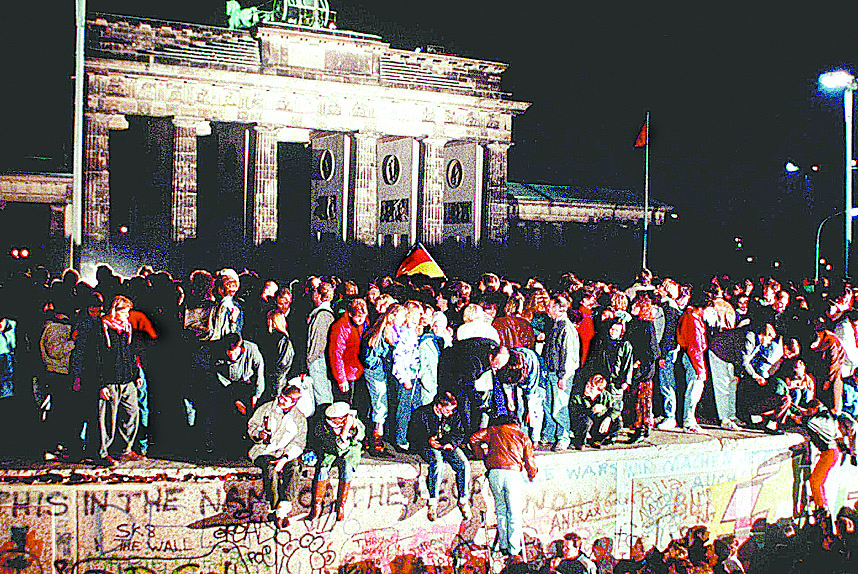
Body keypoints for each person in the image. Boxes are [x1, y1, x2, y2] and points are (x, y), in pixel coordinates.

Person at [469, 414, 538, 558]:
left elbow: (474, 438)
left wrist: (480, 455)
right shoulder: (521, 435)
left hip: (494, 472)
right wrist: (532, 474)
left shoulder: (493, 430)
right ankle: (514, 549)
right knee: (514, 513)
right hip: (512, 473)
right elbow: (529, 460)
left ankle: (504, 545)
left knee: (500, 510)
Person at [247, 384, 307, 528]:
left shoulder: (299, 418)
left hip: (285, 452)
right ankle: (277, 509)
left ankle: (283, 507)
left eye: (286, 400)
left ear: (294, 402)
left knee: (294, 468)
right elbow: (251, 426)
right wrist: (258, 434)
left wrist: (285, 458)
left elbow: (299, 443)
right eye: (281, 396)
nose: (281, 400)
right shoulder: (266, 408)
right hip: (264, 450)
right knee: (270, 469)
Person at [407, 392, 471, 521]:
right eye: (448, 410)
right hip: (427, 445)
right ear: (439, 406)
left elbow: (460, 433)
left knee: (464, 464)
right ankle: (433, 502)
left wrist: (451, 443)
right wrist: (427, 440)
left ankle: (463, 499)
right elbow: (412, 435)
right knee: (438, 463)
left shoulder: (453, 416)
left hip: (447, 445)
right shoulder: (422, 413)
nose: (450, 413)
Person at [97, 295, 144, 465]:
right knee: (107, 418)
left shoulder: (126, 328)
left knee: (132, 414)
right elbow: (97, 357)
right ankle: (103, 453)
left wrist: (136, 374)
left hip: (126, 379)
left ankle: (125, 448)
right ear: (115, 310)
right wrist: (101, 384)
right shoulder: (101, 328)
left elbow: (132, 353)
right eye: (124, 311)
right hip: (109, 380)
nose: (127, 315)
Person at [789, 400, 857, 512]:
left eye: (810, 410)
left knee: (815, 481)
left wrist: (792, 412)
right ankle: (821, 502)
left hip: (829, 453)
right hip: (833, 452)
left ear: (814, 409)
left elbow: (801, 419)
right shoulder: (828, 417)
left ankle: (822, 507)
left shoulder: (813, 421)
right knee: (818, 481)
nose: (808, 412)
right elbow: (806, 413)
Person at [307, 402, 365, 521]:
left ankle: (340, 506)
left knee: (347, 468)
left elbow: (361, 436)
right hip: (331, 449)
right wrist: (343, 435)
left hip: (349, 450)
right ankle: (317, 505)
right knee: (323, 468)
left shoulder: (354, 423)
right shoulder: (323, 426)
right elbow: (333, 444)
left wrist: (348, 429)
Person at [212, 332, 266, 458]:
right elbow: (218, 377)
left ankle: (250, 447)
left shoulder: (252, 350)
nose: (231, 355)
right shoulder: (219, 352)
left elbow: (259, 373)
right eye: (228, 352)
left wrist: (256, 396)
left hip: (249, 385)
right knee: (230, 415)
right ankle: (229, 448)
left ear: (240, 346)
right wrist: (234, 400)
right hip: (230, 386)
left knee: (251, 416)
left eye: (234, 351)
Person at [541, 294, 580, 451]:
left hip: (561, 374)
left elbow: (568, 353)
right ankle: (550, 434)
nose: (547, 309)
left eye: (550, 306)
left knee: (560, 406)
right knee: (549, 404)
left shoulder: (566, 328)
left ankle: (563, 437)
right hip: (552, 371)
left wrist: (563, 376)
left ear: (558, 308)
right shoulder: (556, 325)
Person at [327, 298, 368, 405]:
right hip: (345, 372)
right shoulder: (341, 327)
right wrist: (341, 379)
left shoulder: (364, 323)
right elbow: (336, 354)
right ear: (350, 314)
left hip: (357, 370)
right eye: (358, 317)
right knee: (343, 404)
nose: (361, 320)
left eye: (363, 316)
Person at [569, 374, 621, 449]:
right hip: (581, 422)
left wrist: (607, 416)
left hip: (596, 422)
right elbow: (574, 412)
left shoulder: (606, 396)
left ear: (599, 391)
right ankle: (579, 441)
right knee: (586, 420)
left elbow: (616, 409)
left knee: (616, 422)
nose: (587, 388)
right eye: (588, 385)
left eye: (591, 388)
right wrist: (590, 410)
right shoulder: (578, 395)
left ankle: (597, 439)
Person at [306, 281, 336, 409]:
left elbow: (317, 341)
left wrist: (310, 360)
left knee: (322, 397)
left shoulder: (323, 315)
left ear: (318, 295)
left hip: (318, 361)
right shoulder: (321, 313)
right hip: (319, 360)